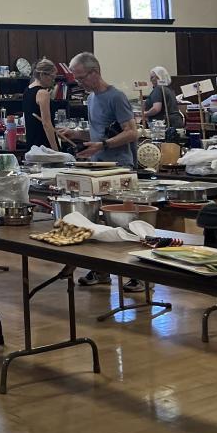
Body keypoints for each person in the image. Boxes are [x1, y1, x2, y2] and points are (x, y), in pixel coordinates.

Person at [58, 52, 141, 289]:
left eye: (81, 77)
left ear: (94, 72)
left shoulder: (116, 97)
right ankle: (101, 270)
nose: (79, 82)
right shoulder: (92, 98)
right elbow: (98, 133)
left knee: (123, 223)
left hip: (119, 168)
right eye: (76, 78)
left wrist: (103, 145)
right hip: (98, 168)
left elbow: (132, 132)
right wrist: (77, 134)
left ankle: (138, 274)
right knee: (97, 222)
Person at [22, 58, 60, 151]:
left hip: (32, 143)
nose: (53, 81)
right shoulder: (43, 93)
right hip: (43, 144)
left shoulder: (27, 90)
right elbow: (46, 123)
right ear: (42, 75)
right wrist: (56, 150)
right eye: (52, 77)